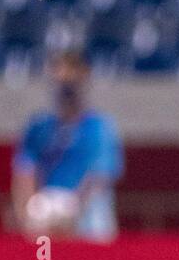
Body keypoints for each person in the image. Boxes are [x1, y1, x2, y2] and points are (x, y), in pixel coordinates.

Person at [11, 50, 123, 243]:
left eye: (72, 85)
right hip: (46, 214)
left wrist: (72, 213)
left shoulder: (99, 128)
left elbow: (100, 176)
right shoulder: (39, 127)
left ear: (83, 83)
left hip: (87, 216)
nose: (66, 91)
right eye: (61, 84)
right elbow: (24, 173)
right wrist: (26, 214)